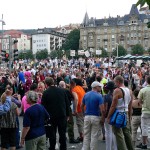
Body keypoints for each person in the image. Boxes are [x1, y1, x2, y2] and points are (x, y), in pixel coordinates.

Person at [41, 77, 70, 150]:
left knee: (52, 133)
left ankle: (52, 147)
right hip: (62, 115)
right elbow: (67, 103)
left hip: (51, 116)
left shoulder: (46, 92)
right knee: (62, 132)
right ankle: (63, 147)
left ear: (46, 84)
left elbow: (43, 106)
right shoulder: (62, 91)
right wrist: (68, 114)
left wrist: (44, 117)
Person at [107, 75, 134, 150]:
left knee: (119, 135)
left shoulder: (117, 90)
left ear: (118, 82)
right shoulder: (130, 91)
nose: (115, 84)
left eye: (115, 82)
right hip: (126, 112)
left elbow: (113, 105)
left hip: (118, 113)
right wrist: (129, 116)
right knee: (127, 133)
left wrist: (108, 117)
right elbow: (130, 106)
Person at [81, 81, 105, 150]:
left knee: (86, 135)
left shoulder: (86, 94)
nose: (100, 88)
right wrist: (102, 118)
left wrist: (84, 114)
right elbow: (102, 109)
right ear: (96, 87)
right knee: (94, 135)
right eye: (99, 87)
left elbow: (81, 105)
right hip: (95, 116)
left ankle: (85, 148)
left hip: (87, 116)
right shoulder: (99, 96)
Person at [136, 75, 150, 149]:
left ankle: (144, 143)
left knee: (144, 127)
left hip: (145, 110)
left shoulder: (143, 90)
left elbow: (139, 101)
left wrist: (143, 104)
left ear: (147, 81)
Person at [104, 81, 117, 150]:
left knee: (108, 132)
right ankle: (115, 148)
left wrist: (104, 116)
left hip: (108, 115)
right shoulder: (116, 95)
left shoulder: (106, 96)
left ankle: (108, 148)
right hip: (115, 115)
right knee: (114, 132)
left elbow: (105, 108)